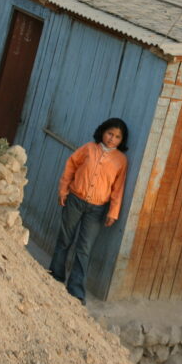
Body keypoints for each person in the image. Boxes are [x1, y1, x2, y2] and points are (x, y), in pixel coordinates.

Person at [48, 118, 129, 304]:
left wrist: (113, 212)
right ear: (102, 131)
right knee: (65, 239)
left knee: (84, 248)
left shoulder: (121, 160)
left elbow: (119, 187)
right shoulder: (88, 149)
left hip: (97, 209)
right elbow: (70, 167)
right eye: (110, 133)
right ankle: (55, 276)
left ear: (121, 140)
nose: (112, 139)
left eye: (117, 137)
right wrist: (63, 190)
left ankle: (75, 289)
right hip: (75, 200)